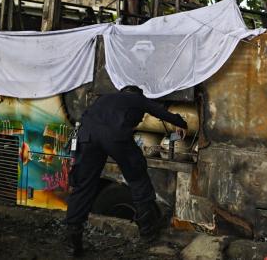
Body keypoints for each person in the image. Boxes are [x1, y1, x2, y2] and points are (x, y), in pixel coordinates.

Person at [65, 85, 188, 256]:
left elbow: (86, 117)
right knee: (137, 177)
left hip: (87, 136)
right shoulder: (135, 99)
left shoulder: (104, 98)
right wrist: (182, 123)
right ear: (137, 94)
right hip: (115, 136)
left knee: (84, 185)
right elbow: (160, 112)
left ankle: (73, 239)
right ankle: (147, 230)